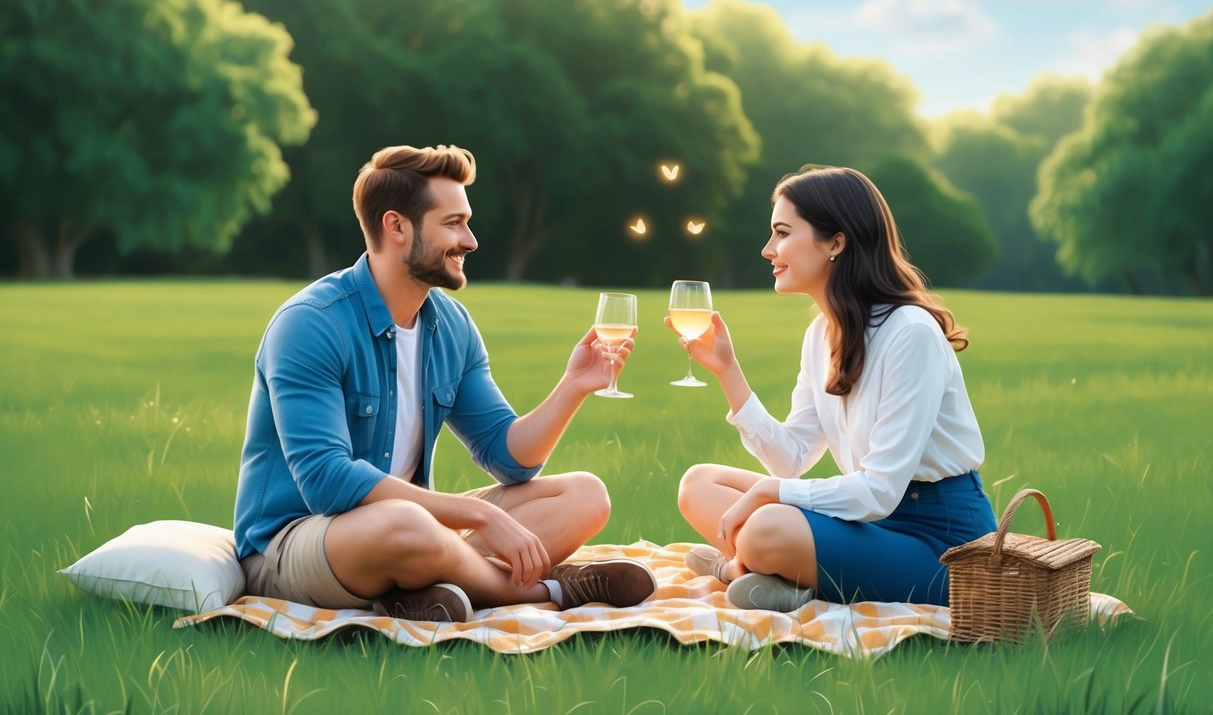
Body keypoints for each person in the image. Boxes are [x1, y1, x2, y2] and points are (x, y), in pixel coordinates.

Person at [234, 143, 655, 622]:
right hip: (292, 543)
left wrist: (574, 385)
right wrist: (480, 515)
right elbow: (327, 482)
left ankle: (425, 590)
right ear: (397, 227)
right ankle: (544, 592)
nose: (471, 240)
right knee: (404, 522)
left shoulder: (450, 326)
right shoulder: (311, 324)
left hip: (407, 529)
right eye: (453, 223)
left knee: (585, 495)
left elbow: (509, 458)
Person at [670, 165, 997, 611]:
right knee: (698, 484)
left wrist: (771, 494)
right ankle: (777, 575)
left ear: (836, 243)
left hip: (939, 545)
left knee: (767, 526)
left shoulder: (910, 333)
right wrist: (728, 372)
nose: (768, 250)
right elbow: (790, 459)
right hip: (862, 521)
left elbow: (881, 491)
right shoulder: (821, 336)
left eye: (782, 233)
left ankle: (738, 569)